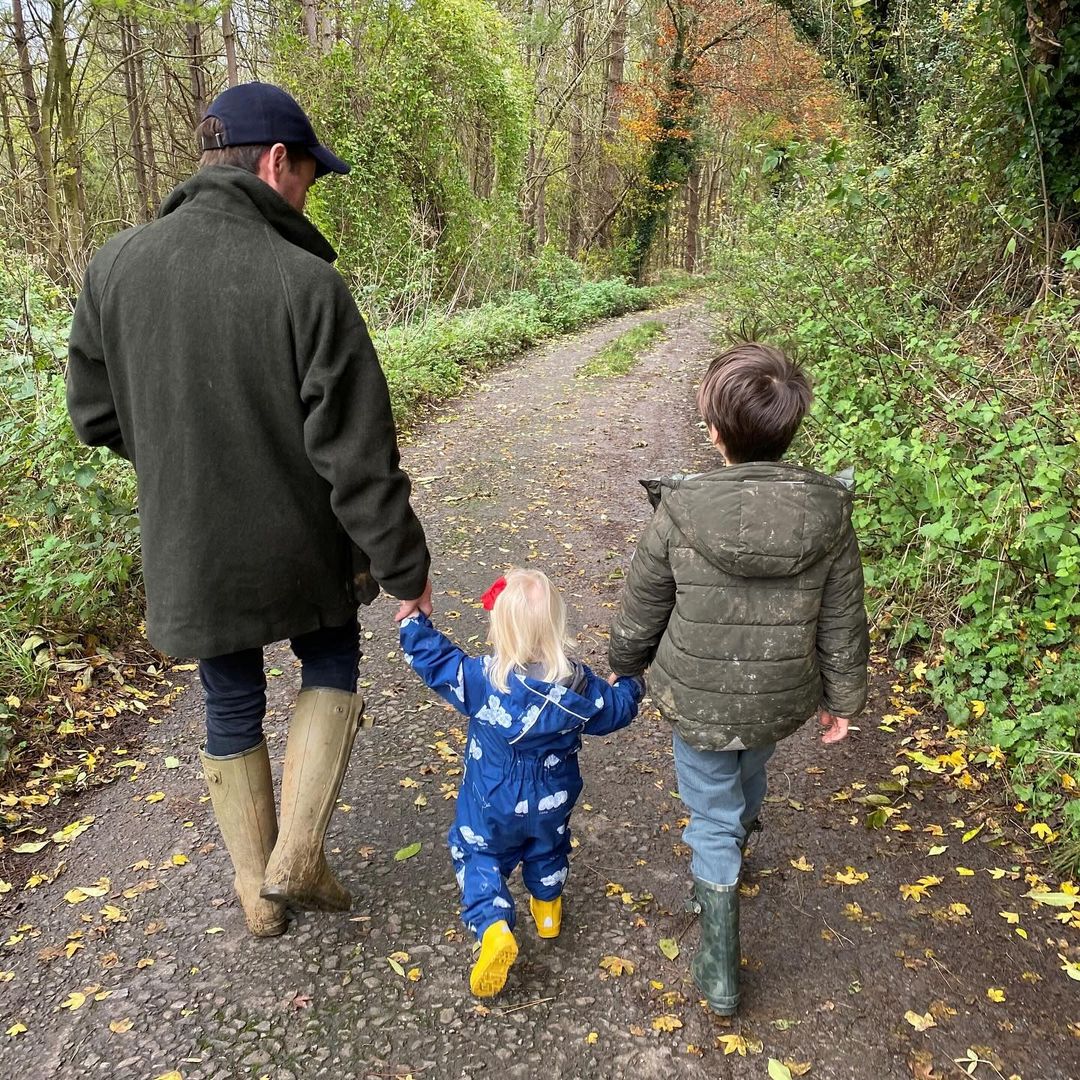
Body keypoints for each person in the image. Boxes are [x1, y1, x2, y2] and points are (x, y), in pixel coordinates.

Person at [66, 83, 432, 938]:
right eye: (307, 177)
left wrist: (177, 455)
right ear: (275, 163)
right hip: (302, 541)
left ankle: (254, 893)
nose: (307, 195)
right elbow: (357, 453)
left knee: (228, 697)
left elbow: (93, 415)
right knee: (331, 656)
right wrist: (404, 567)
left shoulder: (113, 266)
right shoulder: (307, 283)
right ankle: (299, 854)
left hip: (190, 541)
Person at [608, 342, 869, 1015]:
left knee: (711, 812)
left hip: (697, 699)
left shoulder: (681, 510)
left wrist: (624, 665)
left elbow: (644, 604)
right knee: (749, 770)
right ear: (789, 430)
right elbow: (842, 614)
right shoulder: (828, 515)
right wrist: (843, 698)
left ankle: (719, 961)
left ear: (716, 432)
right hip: (778, 695)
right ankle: (736, 841)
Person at [398, 569, 644, 997]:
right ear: (556, 626)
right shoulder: (579, 686)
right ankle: (547, 910)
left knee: (475, 851)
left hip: (494, 800)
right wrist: (631, 684)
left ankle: (494, 928)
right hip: (554, 797)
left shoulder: (482, 680)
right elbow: (618, 710)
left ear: (500, 629)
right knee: (547, 846)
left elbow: (435, 662)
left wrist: (413, 622)